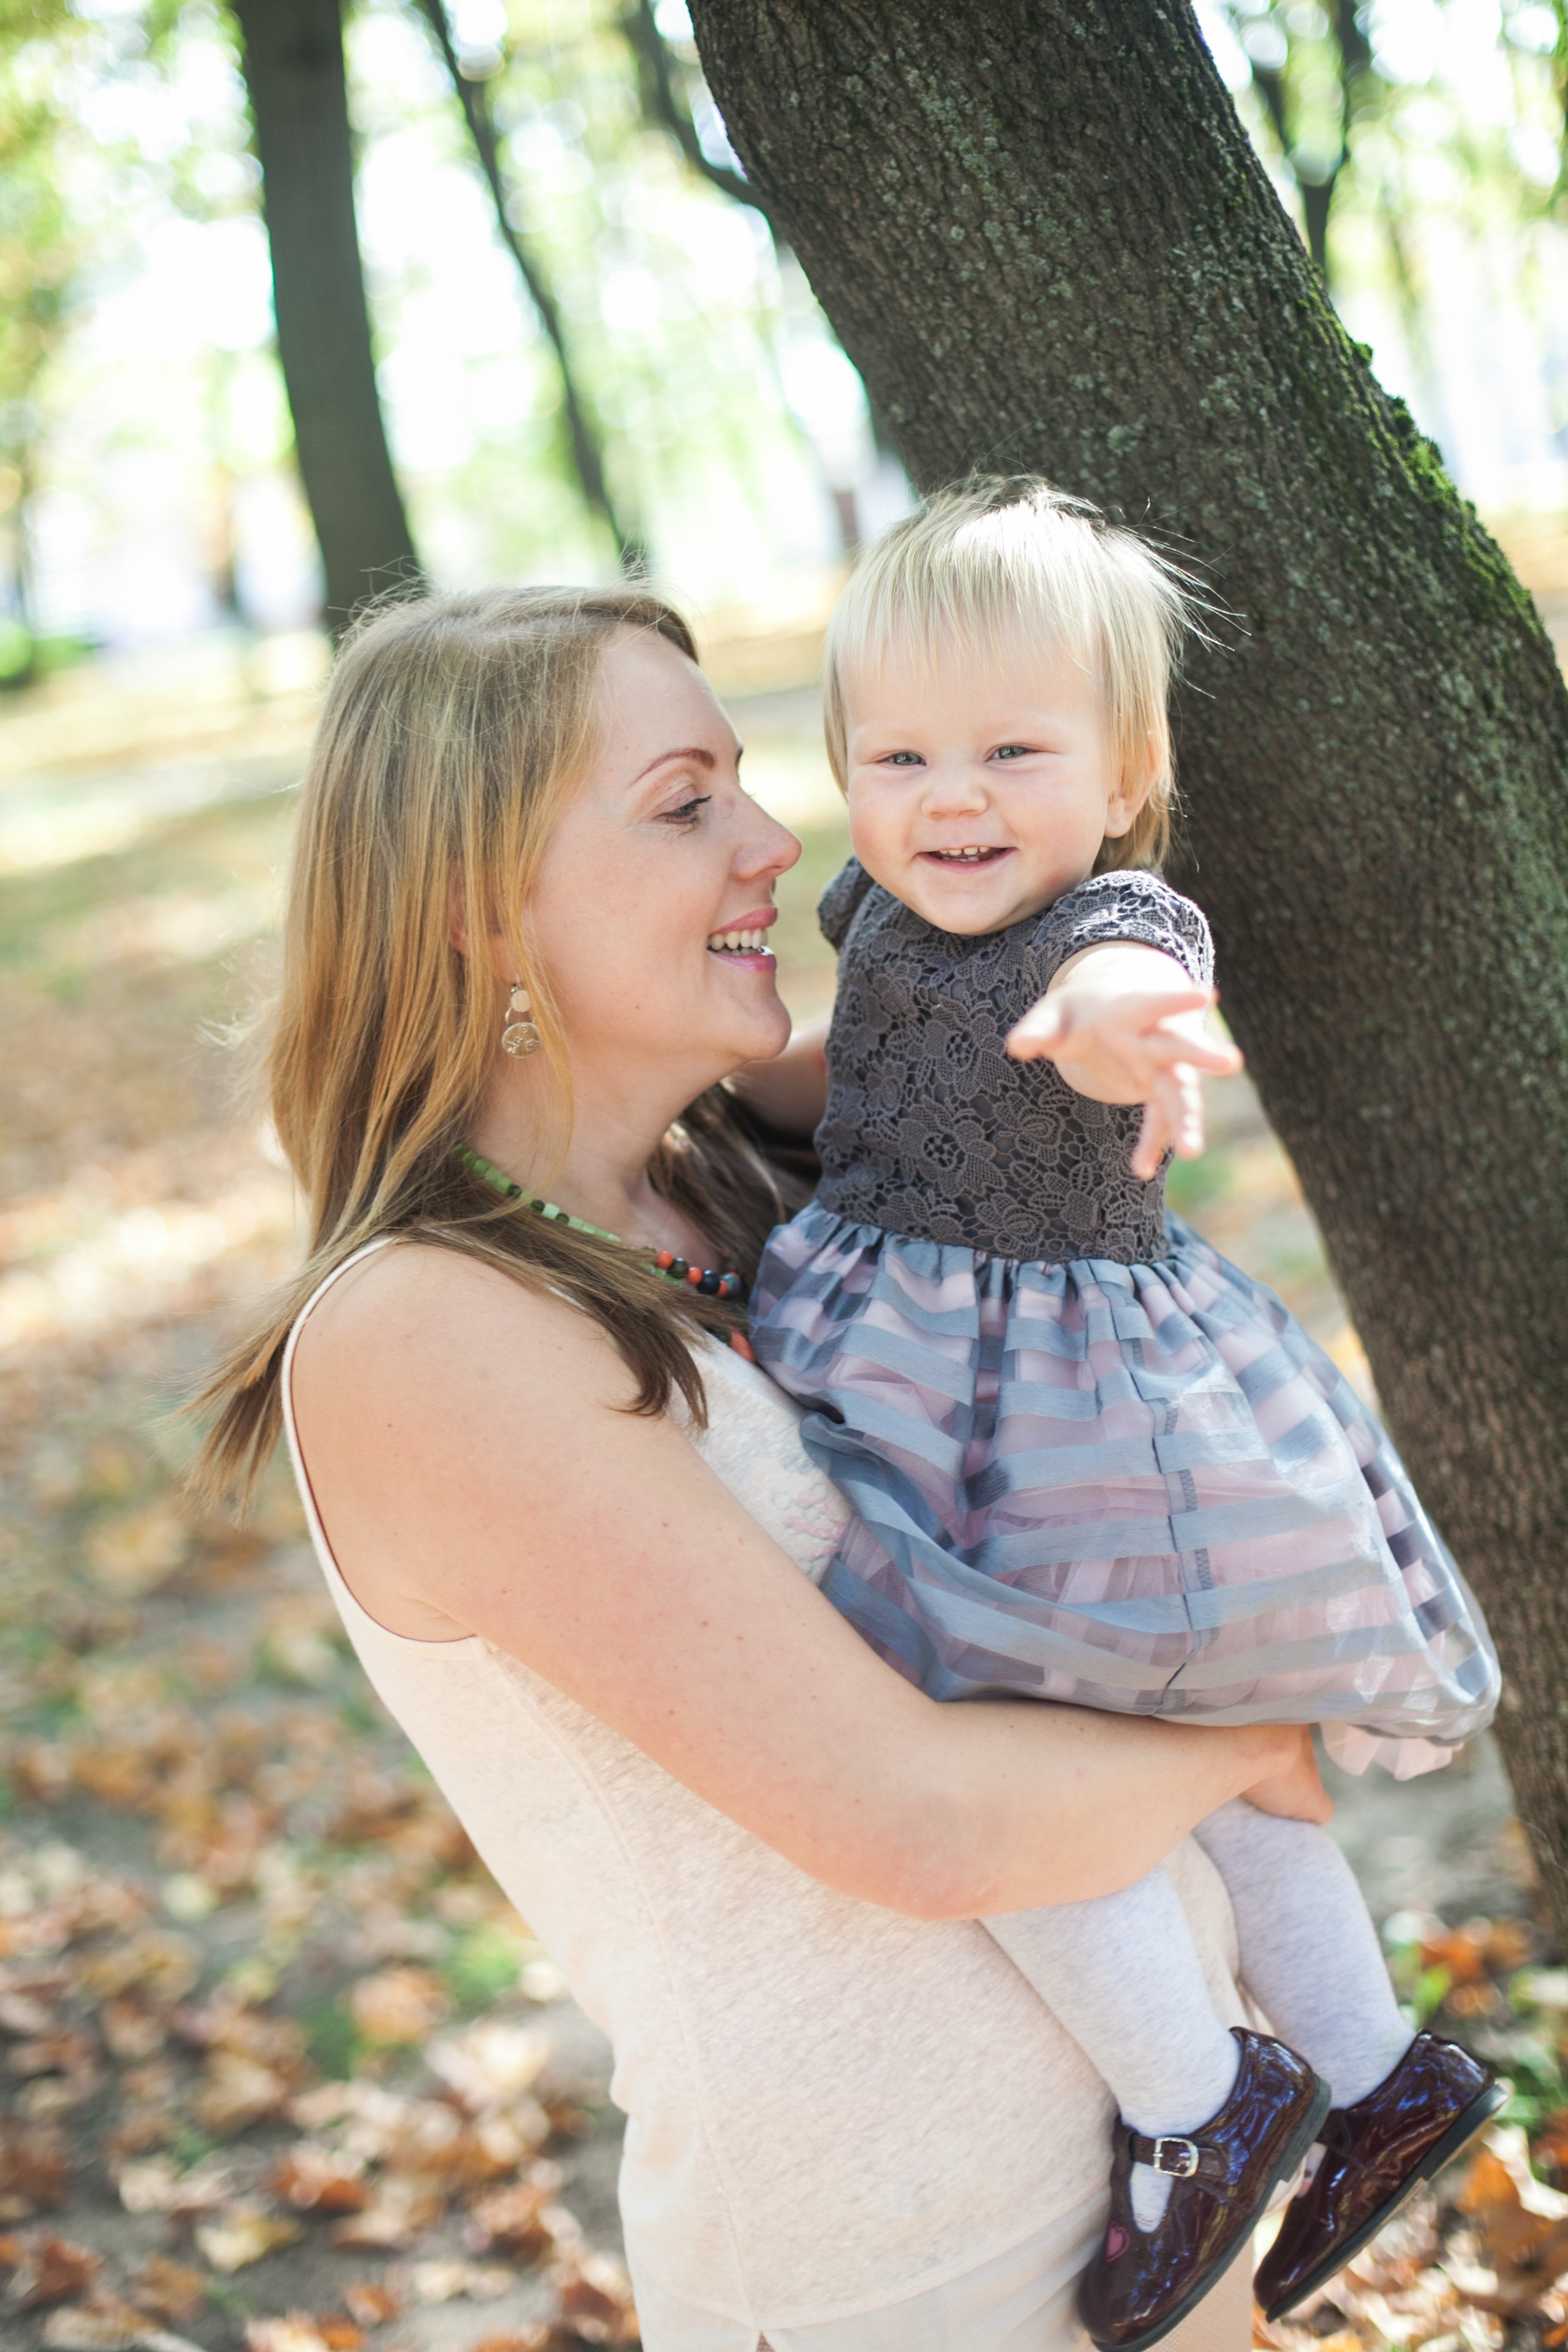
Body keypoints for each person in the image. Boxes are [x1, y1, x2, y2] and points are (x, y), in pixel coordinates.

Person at [196, 584, 1332, 2352]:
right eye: (684, 803)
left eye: (744, 781)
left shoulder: (748, 1180)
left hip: (1167, 2197)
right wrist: (1257, 1739)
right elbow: (917, 1816)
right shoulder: (423, 1331)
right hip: (903, 2278)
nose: (775, 841)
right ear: (471, 907)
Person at [746, 481, 1505, 2352]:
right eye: (901, 751)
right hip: (954, 1384)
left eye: (1015, 748)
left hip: (1064, 1417)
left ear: (1127, 764)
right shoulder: (886, 907)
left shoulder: (1109, 920)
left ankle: (1198, 2104)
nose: (954, 797)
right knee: (1190, 1761)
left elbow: (1120, 986)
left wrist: (1117, 1025)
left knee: (996, 1738)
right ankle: (1377, 2067)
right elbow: (860, 1060)